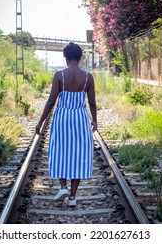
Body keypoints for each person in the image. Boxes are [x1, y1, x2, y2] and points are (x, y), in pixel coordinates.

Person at [35, 42, 97, 206]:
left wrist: (40, 122)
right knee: (79, 154)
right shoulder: (88, 77)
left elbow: (50, 102)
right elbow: (92, 103)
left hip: (62, 117)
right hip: (80, 118)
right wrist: (95, 120)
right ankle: (72, 197)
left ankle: (63, 187)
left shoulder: (59, 75)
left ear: (66, 57)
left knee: (60, 151)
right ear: (80, 57)